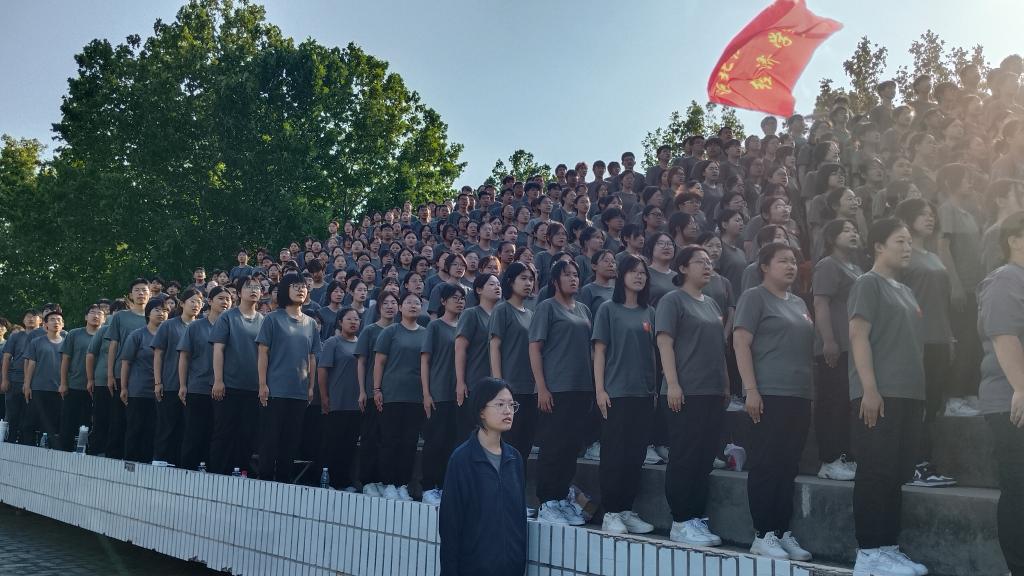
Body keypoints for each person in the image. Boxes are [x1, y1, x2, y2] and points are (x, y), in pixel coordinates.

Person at [848, 218, 930, 576]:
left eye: (910, 241)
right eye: (900, 241)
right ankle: (868, 552)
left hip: (908, 394)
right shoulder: (868, 283)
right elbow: (858, 336)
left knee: (896, 472)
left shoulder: (906, 290)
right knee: (875, 470)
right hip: (880, 394)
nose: (908, 247)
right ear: (879, 246)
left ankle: (887, 547)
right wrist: (869, 389)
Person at [733, 243, 814, 561]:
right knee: (766, 463)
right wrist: (751, 389)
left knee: (788, 464)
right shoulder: (754, 297)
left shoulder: (799, 302)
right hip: (769, 393)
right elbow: (740, 342)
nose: (791, 266)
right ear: (764, 266)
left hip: (799, 394)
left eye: (793, 261)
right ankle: (763, 533)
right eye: (783, 261)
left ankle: (781, 530)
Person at [657, 246, 729, 546]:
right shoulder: (672, 300)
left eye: (710, 262)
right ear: (683, 268)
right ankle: (681, 519)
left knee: (704, 457)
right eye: (700, 262)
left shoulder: (711, 303)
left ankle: (696, 516)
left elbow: (719, 348)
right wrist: (673, 383)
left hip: (712, 391)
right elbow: (664, 343)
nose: (707, 266)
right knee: (685, 456)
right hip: (686, 392)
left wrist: (725, 384)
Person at [593, 254, 656, 535]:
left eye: (643, 272)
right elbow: (599, 351)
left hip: (643, 393)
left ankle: (626, 509)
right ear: (622, 276)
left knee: (635, 454)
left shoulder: (649, 312)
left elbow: (653, 353)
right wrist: (600, 390)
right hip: (615, 393)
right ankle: (611, 512)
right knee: (614, 454)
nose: (639, 276)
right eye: (633, 271)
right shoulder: (608, 309)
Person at [438, 377, 527, 576]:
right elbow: (450, 525)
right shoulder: (462, 459)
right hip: (473, 568)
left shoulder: (515, 459)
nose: (508, 411)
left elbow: (520, 520)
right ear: (481, 411)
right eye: (500, 404)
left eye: (511, 405)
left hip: (511, 568)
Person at [977, 210, 1024, 576]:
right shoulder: (1006, 278)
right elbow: (1003, 334)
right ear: (1014, 239)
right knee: (1020, 488)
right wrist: (1022, 387)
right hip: (1012, 401)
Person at [529, 259, 592, 526]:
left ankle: (562, 497)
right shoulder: (546, 307)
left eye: (576, 274)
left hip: (581, 388)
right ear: (555, 281)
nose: (573, 279)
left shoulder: (584, 309)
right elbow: (535, 348)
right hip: (556, 388)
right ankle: (547, 502)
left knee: (571, 447)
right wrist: (542, 387)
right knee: (553, 446)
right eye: (567, 275)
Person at [255, 273, 321, 483]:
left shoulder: (311, 323)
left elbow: (312, 357)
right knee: (270, 439)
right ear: (285, 290)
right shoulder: (272, 319)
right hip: (275, 389)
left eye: (303, 286)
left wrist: (310, 387)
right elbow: (263, 353)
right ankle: (265, 480)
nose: (301, 289)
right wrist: (262, 384)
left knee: (291, 441)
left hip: (299, 391)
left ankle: (284, 482)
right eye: (295, 286)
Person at [812, 219, 863, 481]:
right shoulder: (828, 265)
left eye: (855, 230)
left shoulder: (856, 267)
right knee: (833, 402)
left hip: (855, 346)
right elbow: (820, 303)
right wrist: (828, 340)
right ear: (832, 238)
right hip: (836, 345)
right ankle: (829, 459)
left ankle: (846, 455)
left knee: (847, 403)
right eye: (846, 230)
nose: (853, 233)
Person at [373, 291, 428, 501]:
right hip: (392, 394)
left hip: (416, 396)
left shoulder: (426, 333)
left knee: (409, 442)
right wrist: (377, 389)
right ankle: (388, 483)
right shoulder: (390, 332)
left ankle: (403, 484)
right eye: (408, 302)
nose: (413, 306)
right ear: (400, 308)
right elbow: (379, 362)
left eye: (417, 303)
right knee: (390, 440)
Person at [209, 275, 265, 475]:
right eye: (249, 287)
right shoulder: (227, 317)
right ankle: (217, 473)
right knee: (224, 432)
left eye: (257, 287)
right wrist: (218, 380)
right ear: (239, 292)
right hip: (229, 385)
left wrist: (263, 384)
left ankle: (242, 473)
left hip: (253, 387)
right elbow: (218, 350)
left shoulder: (264, 320)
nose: (254, 290)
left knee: (247, 434)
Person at [419, 284, 466, 506]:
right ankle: (429, 486)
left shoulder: (465, 325)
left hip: (460, 394)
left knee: (453, 442)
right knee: (435, 441)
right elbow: (425, 360)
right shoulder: (435, 326)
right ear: (443, 301)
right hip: (439, 391)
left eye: (462, 298)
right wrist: (426, 393)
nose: (459, 301)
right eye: (454, 298)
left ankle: (446, 485)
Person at [177, 286, 231, 470]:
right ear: (210, 301)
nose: (225, 302)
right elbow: (184, 357)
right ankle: (187, 471)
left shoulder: (233, 326)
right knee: (194, 433)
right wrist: (183, 385)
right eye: (221, 298)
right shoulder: (195, 326)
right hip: (198, 387)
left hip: (224, 389)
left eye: (228, 299)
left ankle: (212, 472)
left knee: (217, 434)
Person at [488, 262, 538, 462]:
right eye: (523, 278)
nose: (528, 283)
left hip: (530, 388)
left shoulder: (532, 314)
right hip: (509, 388)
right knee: (508, 444)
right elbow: (494, 347)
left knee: (524, 445)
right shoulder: (502, 310)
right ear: (510, 281)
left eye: (531, 279)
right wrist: (499, 384)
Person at [151, 288, 201, 465]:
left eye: (199, 302)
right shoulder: (169, 325)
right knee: (167, 426)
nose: (196, 305)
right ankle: (161, 461)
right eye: (192, 301)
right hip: (171, 384)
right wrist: (158, 382)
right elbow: (158, 354)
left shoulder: (201, 326)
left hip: (194, 386)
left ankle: (180, 464)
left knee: (187, 428)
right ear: (182, 303)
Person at [356, 291, 398, 497]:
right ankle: (367, 481)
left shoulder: (401, 330)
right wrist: (363, 390)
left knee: (389, 440)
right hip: (373, 393)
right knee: (370, 437)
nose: (390, 306)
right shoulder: (370, 330)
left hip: (394, 394)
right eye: (386, 303)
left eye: (394, 302)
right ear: (379, 307)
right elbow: (362, 362)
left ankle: (384, 480)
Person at [105, 280, 152, 458]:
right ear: (130, 295)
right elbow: (113, 345)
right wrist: (110, 374)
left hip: (147, 378)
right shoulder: (120, 317)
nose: (141, 293)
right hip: (121, 373)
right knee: (118, 419)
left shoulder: (158, 315)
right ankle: (114, 457)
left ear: (150, 294)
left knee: (142, 422)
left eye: (144, 290)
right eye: (137, 290)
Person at [120, 298, 169, 463]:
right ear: (148, 313)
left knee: (153, 429)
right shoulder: (137, 335)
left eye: (165, 310)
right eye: (157, 310)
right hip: (139, 389)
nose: (161, 313)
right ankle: (130, 464)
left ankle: (147, 464)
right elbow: (126, 362)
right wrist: (124, 387)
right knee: (135, 428)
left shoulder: (169, 335)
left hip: (163, 390)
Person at [454, 274, 500, 438]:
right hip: (474, 382)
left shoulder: (501, 314)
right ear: (479, 290)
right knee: (472, 433)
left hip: (496, 384)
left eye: (498, 284)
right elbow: (460, 349)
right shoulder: (471, 314)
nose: (497, 287)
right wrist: (460, 382)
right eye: (492, 284)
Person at [58, 304, 104, 451]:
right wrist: (63, 383)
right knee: (69, 421)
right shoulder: (74, 334)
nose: (96, 316)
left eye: (100, 313)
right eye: (92, 312)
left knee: (91, 422)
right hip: (75, 384)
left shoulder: (107, 335)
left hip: (99, 386)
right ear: (85, 316)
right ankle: (65, 451)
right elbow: (66, 359)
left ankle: (87, 451)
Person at [23, 308, 66, 445]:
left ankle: (48, 449)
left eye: (59, 320)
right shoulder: (37, 341)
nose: (56, 322)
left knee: (53, 423)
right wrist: (27, 385)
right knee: (31, 421)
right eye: (52, 320)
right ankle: (27, 447)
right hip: (38, 387)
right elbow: (31, 364)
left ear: (63, 324)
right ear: (45, 324)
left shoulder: (67, 342)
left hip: (58, 388)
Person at [2, 310, 42, 444]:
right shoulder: (16, 336)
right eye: (27, 317)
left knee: (30, 417)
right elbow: (6, 358)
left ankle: (28, 444)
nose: (31, 319)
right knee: (13, 415)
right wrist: (5, 379)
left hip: (36, 382)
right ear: (23, 320)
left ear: (41, 320)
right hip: (15, 380)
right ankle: (11, 442)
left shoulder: (44, 336)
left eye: (34, 317)